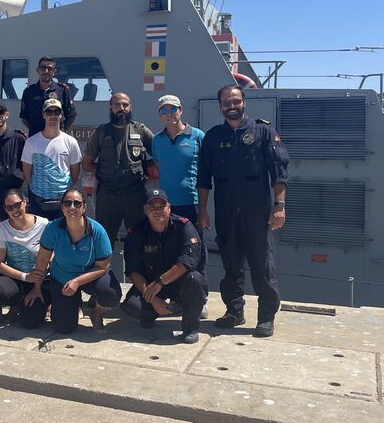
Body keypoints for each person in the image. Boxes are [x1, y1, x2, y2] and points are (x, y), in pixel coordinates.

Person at [196, 85, 289, 338]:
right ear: (220, 106)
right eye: (227, 102)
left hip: (256, 209)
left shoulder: (263, 132)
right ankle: (234, 310)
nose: (232, 106)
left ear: (244, 102)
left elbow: (279, 172)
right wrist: (202, 211)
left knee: (262, 264)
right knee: (231, 263)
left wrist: (279, 206)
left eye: (236, 101)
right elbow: (204, 179)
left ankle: (266, 317)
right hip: (226, 208)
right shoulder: (213, 137)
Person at [121, 189, 206, 343]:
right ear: (145, 211)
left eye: (161, 206)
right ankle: (149, 313)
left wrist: (160, 282)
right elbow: (133, 270)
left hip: (176, 282)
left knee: (195, 279)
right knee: (132, 306)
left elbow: (188, 262)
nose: (157, 210)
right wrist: (152, 298)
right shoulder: (136, 233)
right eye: (152, 207)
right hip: (150, 283)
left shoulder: (184, 227)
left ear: (169, 208)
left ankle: (190, 328)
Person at [32, 188, 122, 334]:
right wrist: (36, 287)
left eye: (77, 203)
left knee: (111, 294)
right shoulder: (52, 228)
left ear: (84, 207)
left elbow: (102, 267)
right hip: (62, 278)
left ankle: (96, 312)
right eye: (67, 203)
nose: (72, 207)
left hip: (91, 275)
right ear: (62, 207)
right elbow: (42, 259)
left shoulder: (97, 231)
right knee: (64, 327)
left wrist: (77, 282)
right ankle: (72, 303)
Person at [81, 92, 154, 245]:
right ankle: (104, 270)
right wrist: (104, 173)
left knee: (139, 240)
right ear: (110, 108)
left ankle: (136, 269)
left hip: (135, 196)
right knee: (103, 241)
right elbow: (86, 164)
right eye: (117, 105)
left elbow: (160, 158)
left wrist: (144, 170)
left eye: (125, 105)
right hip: (107, 197)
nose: (121, 108)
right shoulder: (100, 133)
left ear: (130, 107)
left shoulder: (141, 131)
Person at [150, 95, 207, 282]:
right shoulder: (157, 140)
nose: (169, 114)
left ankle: (200, 296)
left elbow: (205, 171)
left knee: (195, 249)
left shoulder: (197, 136)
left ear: (180, 110)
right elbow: (159, 167)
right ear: (160, 114)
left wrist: (203, 210)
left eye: (173, 109)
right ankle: (176, 295)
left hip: (192, 204)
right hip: (166, 207)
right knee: (171, 251)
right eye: (164, 110)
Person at [0, 189, 50, 327]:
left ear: (25, 202)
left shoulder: (44, 224)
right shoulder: (2, 228)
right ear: (5, 209)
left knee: (30, 323)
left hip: (41, 278)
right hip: (17, 277)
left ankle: (43, 304)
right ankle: (17, 303)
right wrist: (25, 277)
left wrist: (36, 285)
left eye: (17, 205)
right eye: (10, 208)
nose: (14, 210)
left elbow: (50, 257)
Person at [21, 98, 82, 220]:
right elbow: (27, 173)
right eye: (49, 112)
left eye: (56, 112)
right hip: (38, 201)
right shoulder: (31, 142)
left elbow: (75, 173)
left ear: (61, 115)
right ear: (44, 115)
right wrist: (39, 188)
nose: (53, 115)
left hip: (63, 202)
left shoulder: (71, 142)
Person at [20, 56, 76, 136]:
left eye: (49, 69)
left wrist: (60, 131)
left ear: (54, 71)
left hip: (56, 138)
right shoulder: (29, 92)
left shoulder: (63, 91)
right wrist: (38, 133)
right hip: (36, 138)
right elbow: (24, 117)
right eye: (43, 68)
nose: (46, 71)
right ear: (38, 70)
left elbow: (71, 115)